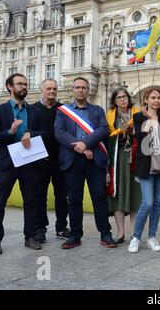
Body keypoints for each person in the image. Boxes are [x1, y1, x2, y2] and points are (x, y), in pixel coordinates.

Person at [0, 73, 48, 254]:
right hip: (6, 163)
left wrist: (31, 133)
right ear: (9, 87)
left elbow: (45, 132)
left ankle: (30, 237)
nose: (23, 87)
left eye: (25, 84)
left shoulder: (34, 111)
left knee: (31, 201)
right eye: (19, 84)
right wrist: (9, 131)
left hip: (29, 162)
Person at [54, 77, 117, 249]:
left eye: (84, 88)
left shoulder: (97, 110)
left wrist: (86, 143)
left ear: (88, 90)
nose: (81, 90)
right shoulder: (63, 111)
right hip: (72, 160)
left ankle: (105, 233)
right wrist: (80, 147)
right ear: (72, 90)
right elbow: (59, 133)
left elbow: (103, 129)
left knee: (99, 198)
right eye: (78, 87)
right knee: (74, 200)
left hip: (94, 160)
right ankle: (75, 235)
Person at [128, 87, 160, 253]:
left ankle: (152, 237)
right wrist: (151, 120)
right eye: (153, 98)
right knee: (147, 202)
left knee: (157, 203)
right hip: (145, 164)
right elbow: (142, 139)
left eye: (159, 98)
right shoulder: (138, 117)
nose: (156, 100)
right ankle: (136, 237)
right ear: (146, 100)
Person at [33, 79, 70, 243]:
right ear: (42, 90)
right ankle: (40, 228)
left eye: (54, 88)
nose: (52, 91)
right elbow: (28, 132)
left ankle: (62, 227)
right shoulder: (33, 109)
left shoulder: (63, 109)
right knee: (40, 196)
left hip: (60, 159)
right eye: (48, 88)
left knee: (62, 195)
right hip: (40, 159)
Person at [106, 88, 141, 244]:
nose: (122, 99)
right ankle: (120, 232)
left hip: (135, 159)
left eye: (124, 96)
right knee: (118, 195)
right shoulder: (109, 117)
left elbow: (145, 133)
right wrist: (122, 134)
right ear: (114, 101)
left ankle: (134, 232)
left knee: (135, 195)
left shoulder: (138, 113)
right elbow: (107, 137)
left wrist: (133, 132)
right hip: (118, 159)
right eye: (119, 97)